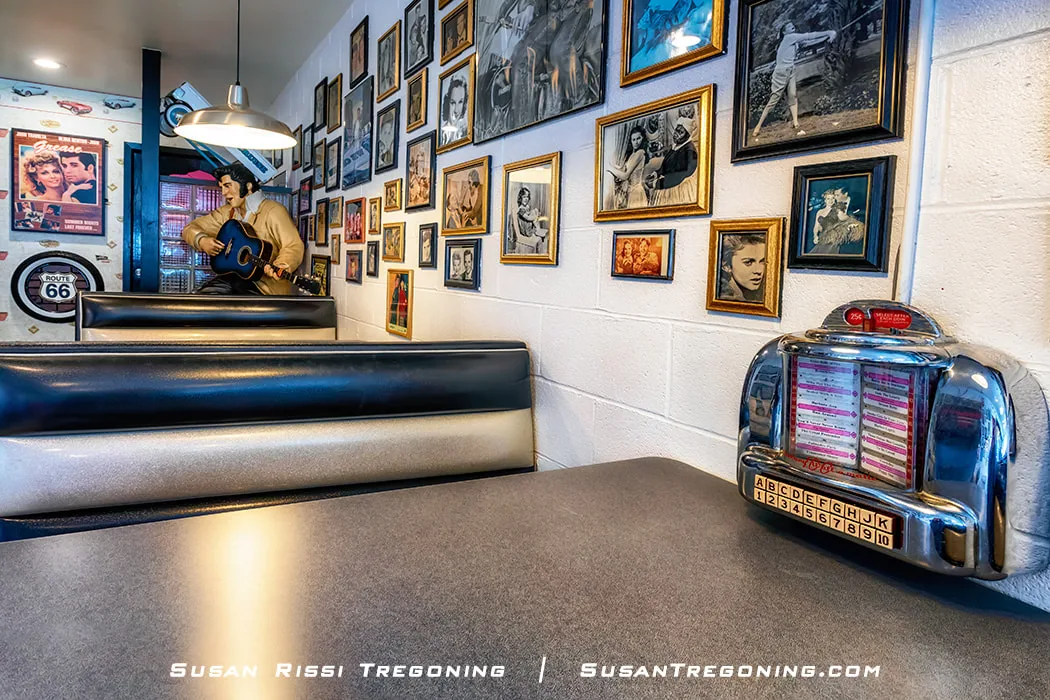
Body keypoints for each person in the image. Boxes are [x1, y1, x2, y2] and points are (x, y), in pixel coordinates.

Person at [181, 163, 304, 295]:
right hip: (233, 279)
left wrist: (282, 265)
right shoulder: (226, 213)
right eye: (222, 187)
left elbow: (293, 245)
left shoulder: (273, 211)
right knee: (200, 299)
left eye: (227, 186)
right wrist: (201, 240)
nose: (223, 193)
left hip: (265, 289)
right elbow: (189, 229)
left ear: (248, 186)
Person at [751, 21, 837, 139]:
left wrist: (827, 37)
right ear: (784, 31)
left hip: (791, 69)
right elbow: (809, 36)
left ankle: (796, 123)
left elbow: (810, 42)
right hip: (781, 73)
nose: (792, 26)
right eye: (789, 26)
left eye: (792, 25)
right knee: (774, 100)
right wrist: (829, 32)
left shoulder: (794, 41)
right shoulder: (789, 38)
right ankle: (758, 126)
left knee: (793, 95)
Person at [646, 119, 698, 206]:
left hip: (677, 190)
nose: (676, 134)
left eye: (681, 132)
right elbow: (667, 166)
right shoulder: (676, 146)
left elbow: (679, 175)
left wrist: (657, 183)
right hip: (667, 184)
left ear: (687, 135)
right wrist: (656, 174)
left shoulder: (689, 151)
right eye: (676, 130)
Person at [811, 188, 865, 255]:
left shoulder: (837, 209)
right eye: (828, 198)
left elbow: (845, 218)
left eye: (833, 198)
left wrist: (852, 223)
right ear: (825, 200)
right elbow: (816, 227)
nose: (830, 201)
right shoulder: (819, 212)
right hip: (822, 239)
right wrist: (815, 236)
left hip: (833, 240)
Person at [607, 125, 648, 210]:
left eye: (638, 138)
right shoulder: (632, 155)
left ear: (643, 138)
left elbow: (625, 175)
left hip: (637, 192)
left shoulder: (640, 153)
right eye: (633, 139)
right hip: (630, 192)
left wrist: (610, 168)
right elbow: (623, 170)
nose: (636, 142)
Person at [719, 234, 766, 303]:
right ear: (727, 266)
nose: (759, 271)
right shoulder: (726, 298)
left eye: (762, 262)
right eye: (748, 262)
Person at [441, 75, 469, 146]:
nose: (456, 110)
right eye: (453, 103)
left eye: (460, 102)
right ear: (447, 103)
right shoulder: (441, 134)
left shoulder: (465, 132)